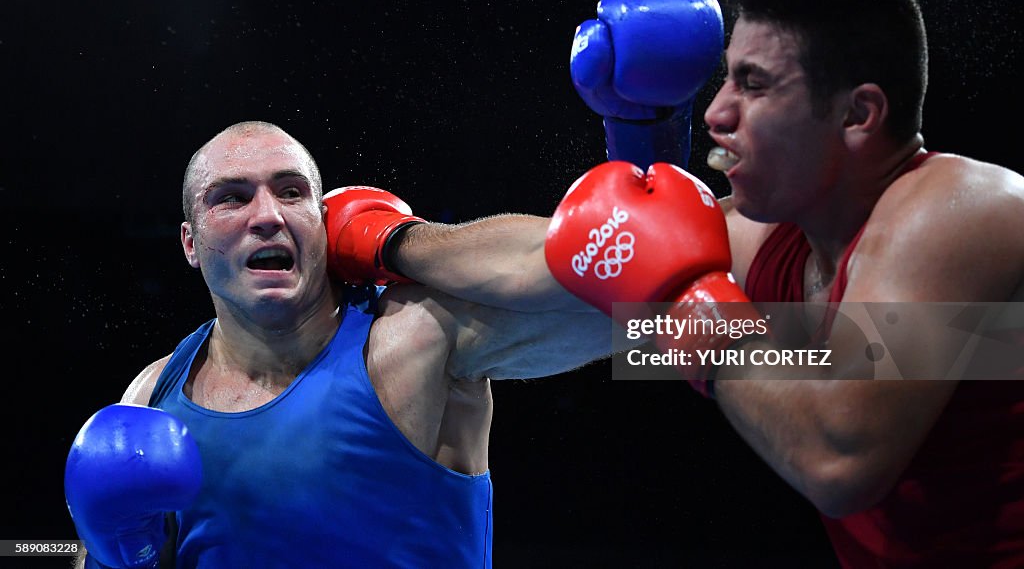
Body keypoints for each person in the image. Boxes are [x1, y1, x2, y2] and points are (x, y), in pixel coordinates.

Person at [547, 0, 1024, 566]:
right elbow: (556, 256)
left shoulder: (971, 206)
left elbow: (842, 462)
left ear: (858, 114)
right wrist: (390, 238)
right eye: (726, 79)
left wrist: (691, 308)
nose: (715, 113)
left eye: (754, 84)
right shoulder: (774, 237)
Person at [64, 120, 615, 569]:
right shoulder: (153, 393)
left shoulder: (410, 336)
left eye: (291, 192)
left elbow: (632, 307)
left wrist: (399, 243)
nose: (268, 216)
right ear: (191, 243)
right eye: (232, 198)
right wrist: (118, 559)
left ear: (323, 222)